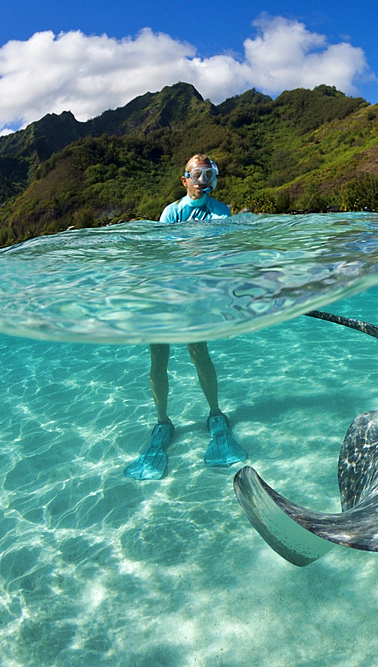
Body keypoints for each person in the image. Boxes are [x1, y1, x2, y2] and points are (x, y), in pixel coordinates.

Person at [124, 154, 246, 480]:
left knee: (198, 352)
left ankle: (216, 415)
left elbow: (221, 251)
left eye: (210, 175)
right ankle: (162, 422)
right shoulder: (171, 212)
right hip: (166, 296)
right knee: (158, 358)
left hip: (196, 299)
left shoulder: (220, 211)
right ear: (185, 180)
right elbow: (164, 255)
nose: (204, 181)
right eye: (197, 175)